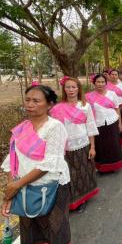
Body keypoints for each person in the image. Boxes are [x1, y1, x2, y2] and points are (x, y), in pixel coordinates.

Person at [1, 84, 71, 244]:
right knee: (33, 224)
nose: (30, 104)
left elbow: (50, 163)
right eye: (28, 100)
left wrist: (17, 184)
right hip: (24, 187)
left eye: (36, 101)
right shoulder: (22, 128)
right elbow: (12, 160)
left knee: (56, 225)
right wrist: (11, 189)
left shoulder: (55, 128)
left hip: (52, 186)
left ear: (49, 105)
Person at [50, 77, 100, 212]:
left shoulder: (85, 106)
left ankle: (82, 199)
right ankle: (71, 200)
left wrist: (93, 146)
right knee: (68, 174)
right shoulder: (57, 108)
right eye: (68, 87)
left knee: (82, 172)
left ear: (78, 89)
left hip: (82, 144)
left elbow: (91, 126)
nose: (71, 90)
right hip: (64, 147)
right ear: (64, 89)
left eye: (74, 87)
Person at [86, 74, 122, 172]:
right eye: (98, 82)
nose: (100, 84)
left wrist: (119, 123)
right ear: (94, 83)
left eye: (103, 82)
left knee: (113, 145)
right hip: (98, 124)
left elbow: (117, 108)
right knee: (101, 146)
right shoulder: (88, 97)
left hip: (112, 122)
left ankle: (114, 165)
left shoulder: (112, 94)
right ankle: (102, 167)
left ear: (106, 83)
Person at [108, 69, 122, 146]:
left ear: (118, 76)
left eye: (115, 74)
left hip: (120, 108)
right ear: (109, 75)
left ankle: (121, 140)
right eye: (112, 74)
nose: (114, 76)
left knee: (121, 125)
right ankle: (112, 141)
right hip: (109, 109)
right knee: (112, 125)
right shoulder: (106, 85)